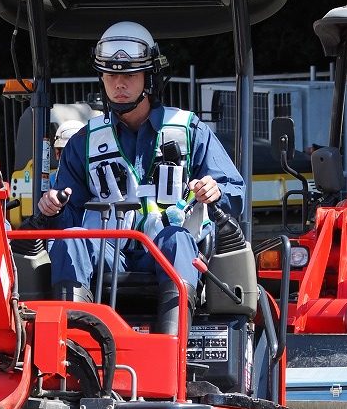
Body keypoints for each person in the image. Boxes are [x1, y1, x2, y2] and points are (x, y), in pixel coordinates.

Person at [34, 21, 244, 333]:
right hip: (107, 253)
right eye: (111, 75)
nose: (118, 84)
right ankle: (75, 347)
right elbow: (67, 211)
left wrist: (216, 191)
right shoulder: (85, 141)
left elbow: (234, 192)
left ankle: (174, 347)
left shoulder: (190, 130)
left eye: (129, 75)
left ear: (150, 78)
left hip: (167, 252)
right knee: (69, 241)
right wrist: (52, 205)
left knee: (179, 240)